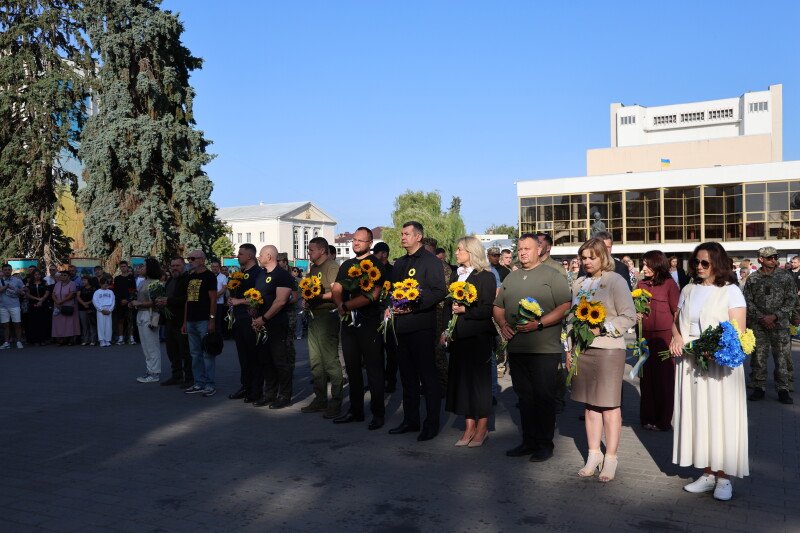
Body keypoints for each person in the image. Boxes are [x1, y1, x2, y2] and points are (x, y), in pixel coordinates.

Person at [669, 242, 748, 501]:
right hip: (690, 362)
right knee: (699, 416)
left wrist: (713, 350)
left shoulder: (731, 291)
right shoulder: (688, 289)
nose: (699, 267)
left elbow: (738, 331)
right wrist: (676, 338)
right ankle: (707, 473)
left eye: (705, 262)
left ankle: (724, 477)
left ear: (718, 263)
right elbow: (676, 321)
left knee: (720, 417)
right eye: (696, 262)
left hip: (719, 365)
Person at [494, 234, 571, 460]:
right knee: (525, 398)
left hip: (544, 349)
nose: (523, 252)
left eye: (527, 248)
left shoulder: (553, 275)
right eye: (520, 249)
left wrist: (539, 323)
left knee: (544, 397)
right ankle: (528, 441)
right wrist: (502, 324)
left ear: (539, 250)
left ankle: (545, 444)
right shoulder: (511, 277)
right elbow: (497, 306)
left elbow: (565, 306)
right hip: (517, 348)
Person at [568, 237, 636, 482]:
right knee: (590, 405)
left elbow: (629, 316)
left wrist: (603, 328)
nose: (586, 262)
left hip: (608, 350)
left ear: (603, 257)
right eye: (583, 258)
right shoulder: (579, 284)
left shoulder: (615, 280)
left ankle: (611, 458)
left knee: (609, 405)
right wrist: (569, 349)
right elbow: (571, 319)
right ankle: (594, 454)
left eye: (592, 257)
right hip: (583, 350)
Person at [387, 221, 446, 441]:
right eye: (401, 234)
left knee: (427, 377)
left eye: (407, 234)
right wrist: (390, 306)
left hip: (421, 326)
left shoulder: (431, 261)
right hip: (401, 327)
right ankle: (410, 420)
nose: (402, 237)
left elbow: (439, 290)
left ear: (418, 237)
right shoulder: (400, 263)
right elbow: (393, 292)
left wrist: (414, 305)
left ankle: (431, 424)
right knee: (407, 376)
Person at [442, 236, 497, 446]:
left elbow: (487, 309)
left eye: (460, 249)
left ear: (471, 252)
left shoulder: (486, 276)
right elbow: (448, 305)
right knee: (462, 383)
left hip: (478, 337)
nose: (456, 253)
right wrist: (446, 329)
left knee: (479, 385)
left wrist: (467, 310)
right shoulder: (457, 275)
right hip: (458, 337)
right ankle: (468, 427)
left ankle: (482, 428)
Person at [332, 227, 387, 430]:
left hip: (369, 323)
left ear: (370, 243)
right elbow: (337, 288)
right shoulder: (347, 264)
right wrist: (340, 305)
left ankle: (378, 413)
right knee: (352, 368)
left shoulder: (375, 265)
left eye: (360, 240)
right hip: (348, 324)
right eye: (354, 240)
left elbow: (373, 294)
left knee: (374, 370)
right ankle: (356, 411)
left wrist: (346, 306)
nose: (355, 243)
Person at [743, 246, 797, 404]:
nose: (773, 260)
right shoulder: (753, 279)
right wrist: (762, 317)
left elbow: (792, 299)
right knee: (758, 357)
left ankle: (783, 389)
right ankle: (759, 387)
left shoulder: (785, 276)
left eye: (775, 257)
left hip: (780, 324)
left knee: (782, 357)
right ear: (761, 259)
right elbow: (747, 300)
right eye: (770, 258)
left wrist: (775, 316)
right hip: (759, 325)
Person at [636, 251, 680, 431]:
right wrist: (636, 314)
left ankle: (663, 421)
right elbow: (634, 307)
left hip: (664, 337)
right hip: (645, 337)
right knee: (646, 379)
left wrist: (676, 337)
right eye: (643, 265)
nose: (644, 268)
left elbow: (676, 312)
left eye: (647, 265)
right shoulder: (640, 284)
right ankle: (648, 417)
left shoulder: (670, 284)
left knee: (664, 379)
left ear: (657, 265)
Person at [301, 237, 344, 418]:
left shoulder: (331, 267)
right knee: (316, 361)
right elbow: (311, 290)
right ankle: (320, 399)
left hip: (328, 316)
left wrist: (316, 297)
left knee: (330, 361)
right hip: (314, 316)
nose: (309, 253)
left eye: (311, 250)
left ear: (322, 250)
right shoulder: (314, 268)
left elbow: (336, 292)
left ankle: (336, 402)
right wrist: (307, 299)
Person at [250, 245, 294, 408]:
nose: (258, 257)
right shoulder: (261, 275)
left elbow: (280, 301)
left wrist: (264, 318)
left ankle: (284, 395)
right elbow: (257, 296)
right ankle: (269, 394)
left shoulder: (282, 275)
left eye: (261, 255)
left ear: (269, 256)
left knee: (280, 361)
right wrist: (254, 311)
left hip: (276, 323)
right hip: (261, 324)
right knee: (266, 360)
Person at [227, 244, 264, 401]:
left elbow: (259, 296)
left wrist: (239, 301)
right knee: (243, 356)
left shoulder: (258, 273)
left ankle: (256, 390)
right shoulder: (241, 273)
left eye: (241, 254)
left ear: (249, 256)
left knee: (253, 355)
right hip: (239, 319)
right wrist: (232, 299)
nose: (238, 256)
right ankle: (246, 386)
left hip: (251, 319)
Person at [182, 251, 218, 397]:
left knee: (207, 353)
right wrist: (184, 321)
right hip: (191, 320)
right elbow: (187, 300)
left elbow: (213, 299)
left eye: (192, 258)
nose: (190, 261)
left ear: (202, 260)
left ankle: (209, 384)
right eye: (189, 258)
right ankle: (199, 382)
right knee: (195, 353)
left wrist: (212, 319)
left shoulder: (209, 276)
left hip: (204, 319)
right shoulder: (190, 277)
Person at [422, 236, 452, 395]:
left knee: (438, 350)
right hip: (426, 312)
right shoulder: (425, 264)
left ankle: (444, 385)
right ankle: (430, 383)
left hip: (439, 312)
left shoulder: (442, 267)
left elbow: (444, 292)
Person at [157, 258, 193, 387]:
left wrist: (168, 301)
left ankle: (189, 378)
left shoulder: (188, 279)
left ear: (184, 266)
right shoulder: (170, 279)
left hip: (182, 320)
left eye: (177, 265)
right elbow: (167, 295)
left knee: (185, 351)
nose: (174, 268)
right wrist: (161, 301)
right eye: (172, 266)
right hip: (169, 320)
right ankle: (176, 375)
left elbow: (188, 299)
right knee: (171, 350)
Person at [132, 258, 163, 383]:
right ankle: (150, 371)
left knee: (152, 346)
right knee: (145, 346)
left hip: (150, 315)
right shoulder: (143, 282)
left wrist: (138, 303)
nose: (141, 268)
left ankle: (154, 373)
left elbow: (157, 302)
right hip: (141, 314)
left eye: (144, 266)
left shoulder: (156, 283)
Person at [373, 241, 398, 393]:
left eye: (376, 254)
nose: (373, 257)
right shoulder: (372, 270)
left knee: (391, 350)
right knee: (376, 351)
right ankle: (379, 381)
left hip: (388, 313)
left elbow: (396, 293)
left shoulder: (393, 271)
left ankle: (391, 380)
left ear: (384, 254)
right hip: (373, 313)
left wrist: (390, 307)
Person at [0, 263, 26, 349]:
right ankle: (6, 342)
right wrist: (6, 287)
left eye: (9, 270)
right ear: (2, 271)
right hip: (3, 306)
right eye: (5, 270)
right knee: (5, 325)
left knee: (17, 324)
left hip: (15, 305)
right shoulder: (0, 280)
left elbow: (24, 289)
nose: (7, 271)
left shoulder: (17, 280)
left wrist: (19, 290)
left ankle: (19, 341)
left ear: (11, 270)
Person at [51, 270, 80, 346]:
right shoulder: (57, 284)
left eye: (65, 275)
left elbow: (72, 295)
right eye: (61, 275)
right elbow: (53, 294)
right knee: (59, 323)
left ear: (69, 277)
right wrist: (56, 301)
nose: (62, 276)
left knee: (69, 323)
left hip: (68, 306)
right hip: (58, 306)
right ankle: (61, 339)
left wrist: (61, 301)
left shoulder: (72, 284)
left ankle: (70, 339)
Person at [25, 269, 51, 346]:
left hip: (43, 305)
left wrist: (41, 300)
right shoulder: (29, 283)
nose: (37, 276)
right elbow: (27, 294)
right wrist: (37, 299)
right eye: (35, 274)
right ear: (33, 275)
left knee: (43, 322)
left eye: (39, 274)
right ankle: (35, 340)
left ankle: (44, 339)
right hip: (33, 304)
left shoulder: (45, 282)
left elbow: (47, 293)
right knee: (34, 322)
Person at [113, 261, 136, 346]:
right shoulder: (117, 278)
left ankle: (131, 338)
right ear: (120, 268)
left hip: (129, 303)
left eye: (124, 266)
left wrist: (128, 300)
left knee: (130, 321)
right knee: (120, 321)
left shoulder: (131, 278)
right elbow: (115, 291)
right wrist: (121, 300)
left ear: (127, 267)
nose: (123, 268)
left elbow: (133, 290)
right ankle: (121, 338)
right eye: (121, 266)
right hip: (120, 303)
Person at [93, 275, 115, 347]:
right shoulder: (97, 292)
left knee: (108, 325)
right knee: (101, 325)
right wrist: (101, 309)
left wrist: (110, 310)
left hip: (108, 309)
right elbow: (95, 301)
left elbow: (113, 301)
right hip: (101, 310)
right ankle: (102, 340)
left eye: (107, 283)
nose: (105, 284)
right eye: (104, 283)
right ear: (100, 284)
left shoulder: (110, 292)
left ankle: (107, 340)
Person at [77, 273, 97, 346]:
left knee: (92, 324)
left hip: (91, 308)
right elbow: (78, 296)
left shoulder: (93, 288)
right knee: (84, 325)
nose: (83, 281)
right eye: (82, 280)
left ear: (88, 281)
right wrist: (83, 303)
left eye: (85, 280)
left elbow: (95, 298)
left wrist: (88, 303)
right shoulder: (80, 288)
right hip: (82, 308)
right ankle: (85, 340)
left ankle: (93, 340)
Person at [210, 260, 228, 335]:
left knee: (218, 321)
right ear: (211, 267)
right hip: (209, 303)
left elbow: (224, 288)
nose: (215, 268)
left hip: (219, 303)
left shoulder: (223, 276)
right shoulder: (208, 276)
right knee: (210, 319)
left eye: (216, 266)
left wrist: (215, 296)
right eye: (213, 266)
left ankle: (218, 338)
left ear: (219, 268)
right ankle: (210, 337)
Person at [290, 266, 305, 339]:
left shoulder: (300, 280)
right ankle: (295, 333)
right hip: (292, 300)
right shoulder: (290, 279)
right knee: (294, 317)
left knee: (298, 318)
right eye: (294, 271)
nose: (295, 272)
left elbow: (305, 290)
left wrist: (304, 300)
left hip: (299, 300)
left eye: (297, 271)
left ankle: (298, 334)